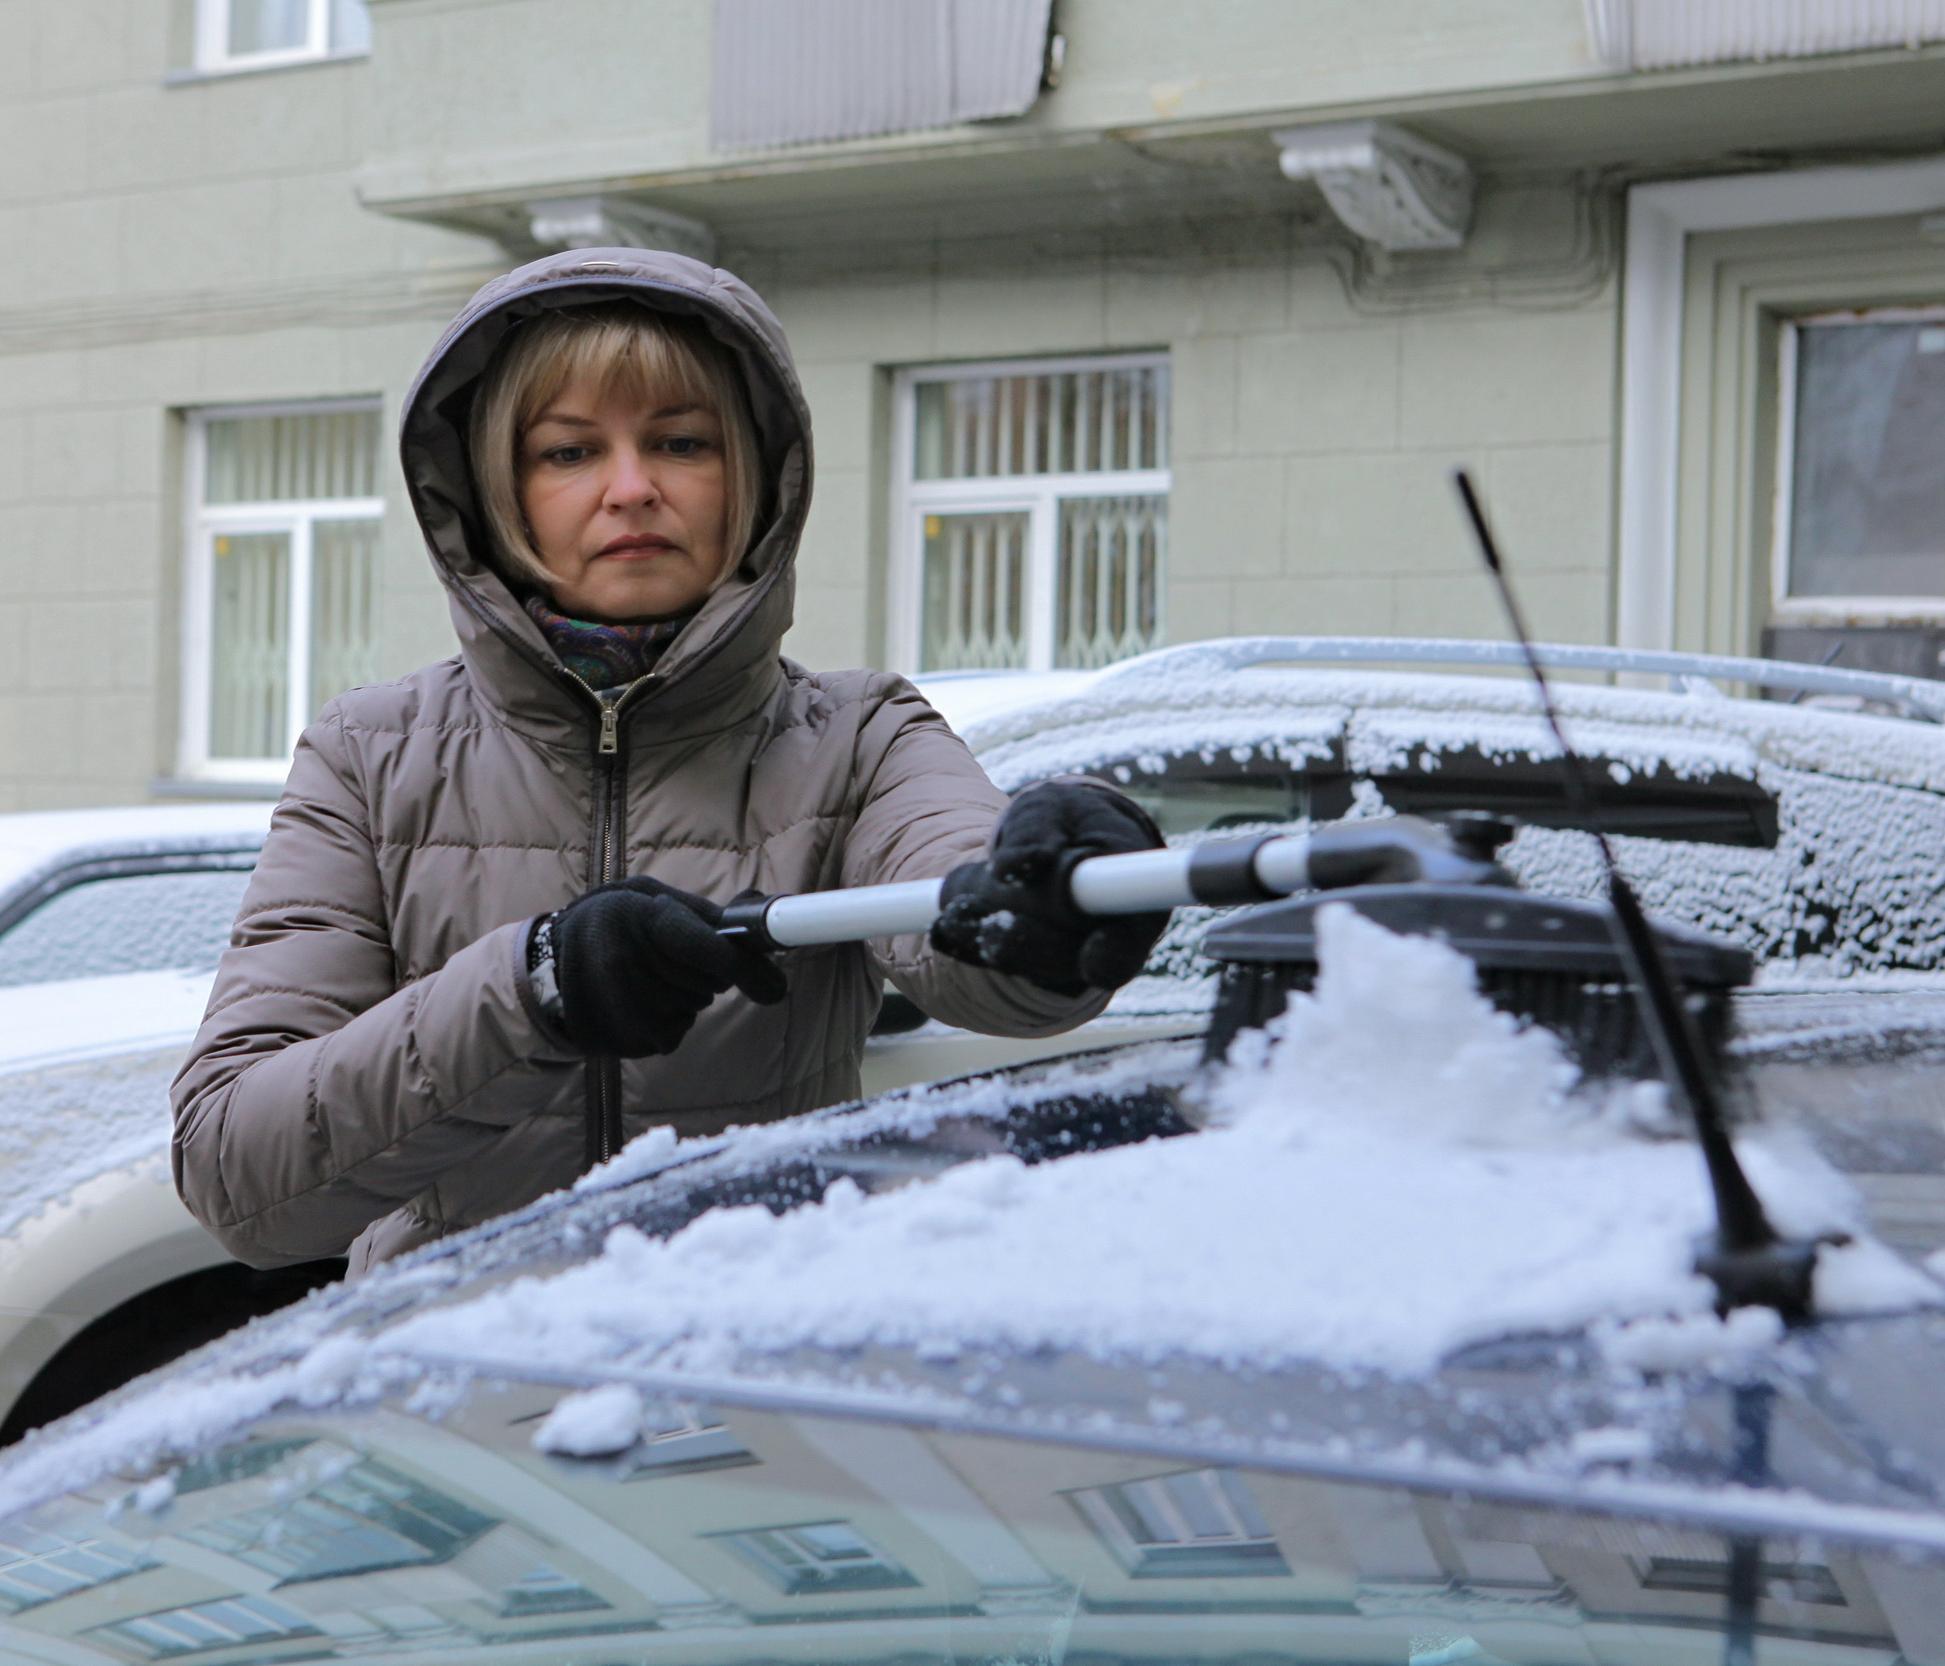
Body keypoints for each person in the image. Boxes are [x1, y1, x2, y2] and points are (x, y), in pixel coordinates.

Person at [171, 249, 1168, 1275]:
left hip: (754, 1388)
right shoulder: (371, 757)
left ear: (754, 477)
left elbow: (965, 917)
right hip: (454, 1398)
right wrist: (535, 987)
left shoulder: (857, 736)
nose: (632, 489)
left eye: (681, 442)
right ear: (491, 490)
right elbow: (242, 1182)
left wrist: (1053, 890)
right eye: (567, 452)